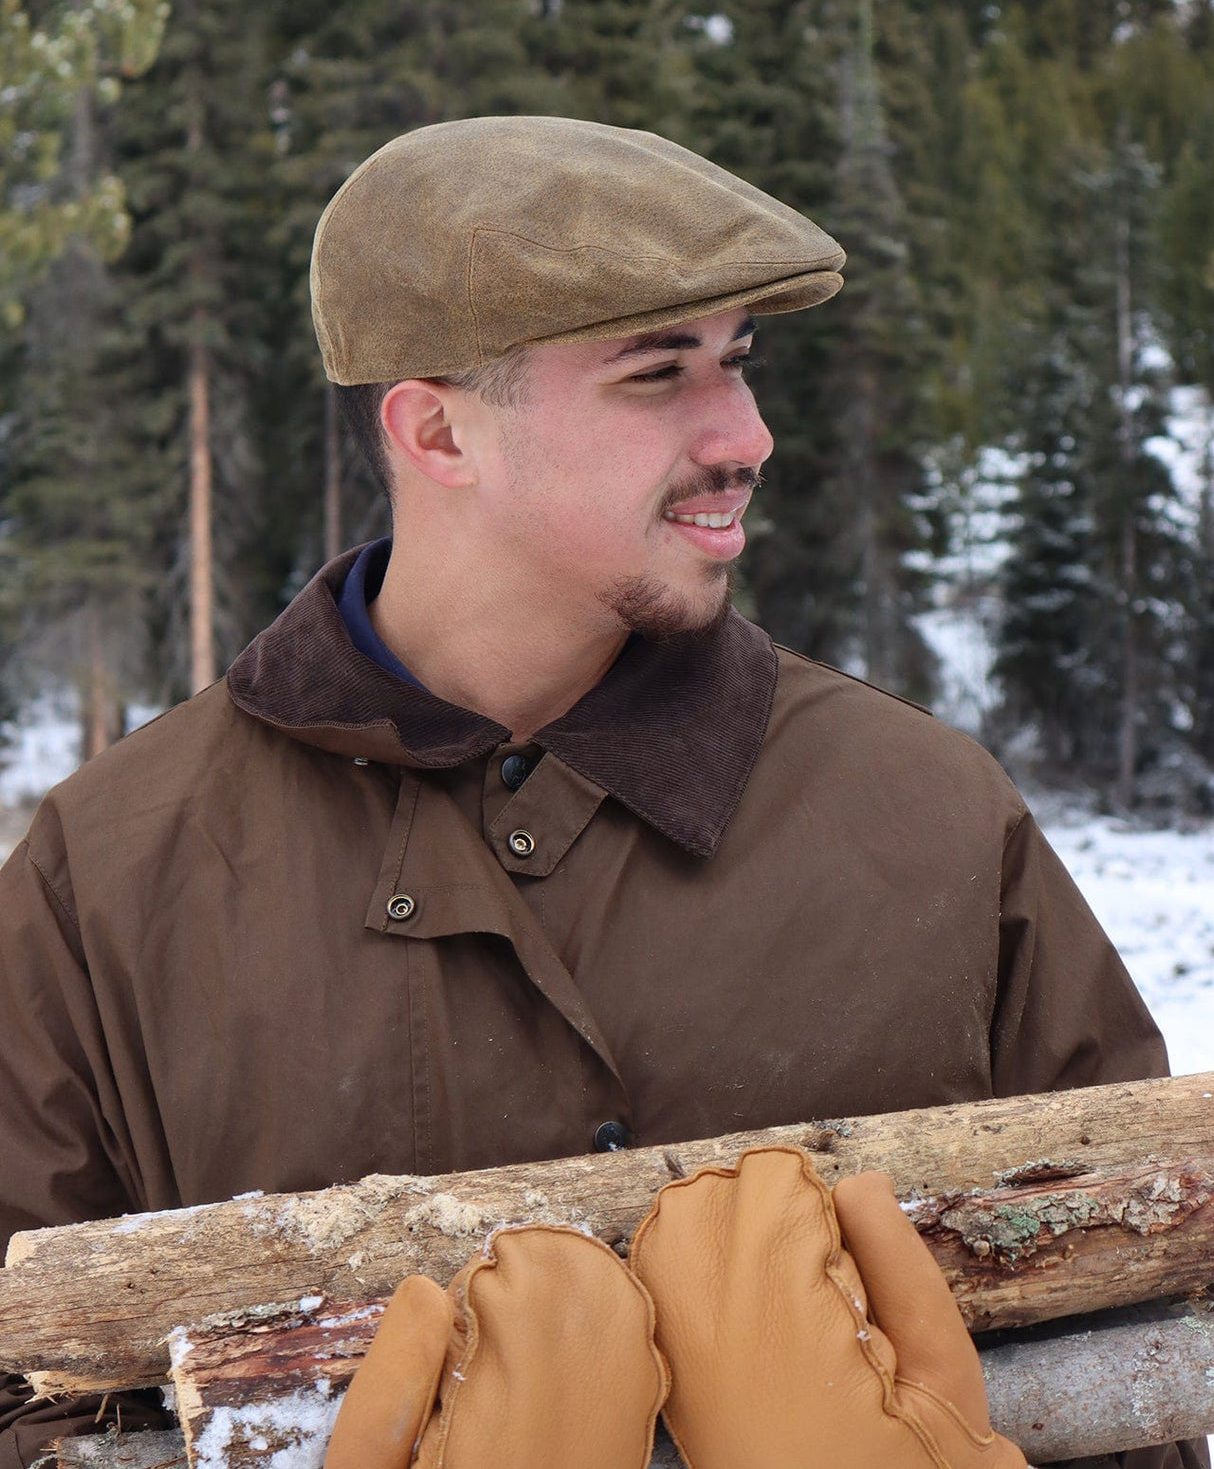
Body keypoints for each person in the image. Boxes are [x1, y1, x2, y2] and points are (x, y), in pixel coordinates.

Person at [0, 116, 1201, 1468]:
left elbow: (1137, 1372)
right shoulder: (108, 878)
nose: (744, 433)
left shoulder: (924, 822)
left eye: (738, 363)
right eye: (658, 375)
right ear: (438, 429)